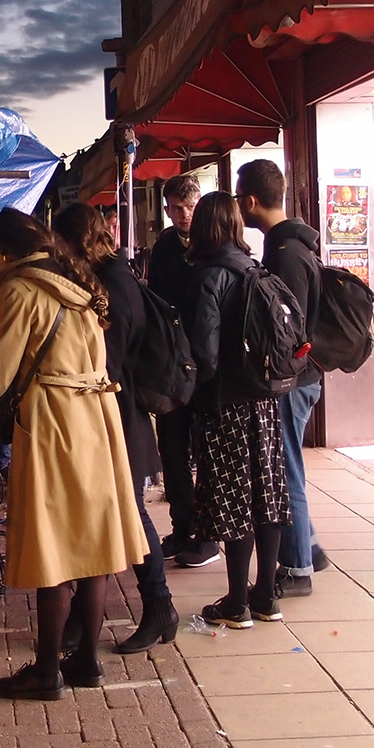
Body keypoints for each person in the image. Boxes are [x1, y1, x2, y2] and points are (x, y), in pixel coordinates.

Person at [0, 208, 148, 699]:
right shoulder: (76, 279)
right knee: (93, 547)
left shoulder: (21, 289)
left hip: (56, 419)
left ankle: (48, 670)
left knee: (57, 545)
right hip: (98, 417)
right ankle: (86, 661)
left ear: (2, 251)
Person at [54, 203, 179, 654]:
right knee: (105, 511)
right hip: (115, 412)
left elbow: (106, 359)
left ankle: (160, 607)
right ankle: (83, 618)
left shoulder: (113, 284)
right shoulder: (112, 276)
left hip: (118, 415)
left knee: (128, 512)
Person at [184, 192, 290, 629]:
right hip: (263, 401)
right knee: (266, 493)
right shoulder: (255, 269)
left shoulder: (209, 277)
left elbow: (205, 356)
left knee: (232, 497)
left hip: (225, 403)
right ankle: (265, 594)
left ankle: (235, 601)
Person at [235, 160, 328, 596]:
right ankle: (308, 546)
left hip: (293, 380)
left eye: (239, 198)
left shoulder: (285, 253)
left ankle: (297, 569)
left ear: (251, 201)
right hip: (304, 376)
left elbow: (287, 327)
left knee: (284, 467)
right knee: (289, 462)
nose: (238, 206)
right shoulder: (294, 243)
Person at [146, 174, 220, 568]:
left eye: (188, 208)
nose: (181, 216)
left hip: (207, 367)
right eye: (175, 208)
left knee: (206, 452)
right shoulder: (164, 248)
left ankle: (207, 535)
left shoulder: (214, 247)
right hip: (174, 364)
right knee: (173, 452)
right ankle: (182, 525)